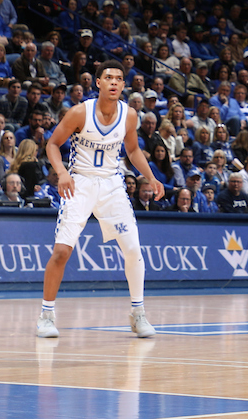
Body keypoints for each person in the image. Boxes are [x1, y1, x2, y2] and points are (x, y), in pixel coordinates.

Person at [37, 62, 163, 339]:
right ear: (98, 83)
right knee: (62, 252)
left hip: (111, 185)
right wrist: (61, 173)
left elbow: (132, 149)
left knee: (133, 249)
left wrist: (151, 177)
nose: (114, 83)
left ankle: (138, 314)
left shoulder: (129, 115)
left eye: (119, 78)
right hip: (79, 182)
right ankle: (46, 316)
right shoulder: (80, 111)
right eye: (109, 78)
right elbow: (52, 144)